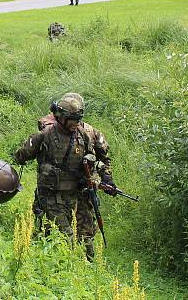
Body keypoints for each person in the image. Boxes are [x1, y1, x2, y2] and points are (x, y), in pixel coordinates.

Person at [14, 93, 116, 261]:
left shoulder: (83, 136)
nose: (77, 123)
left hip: (74, 196)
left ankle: (85, 270)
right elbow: (22, 154)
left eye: (78, 119)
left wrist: (105, 178)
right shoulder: (45, 135)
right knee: (64, 237)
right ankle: (59, 269)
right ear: (62, 118)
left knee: (84, 236)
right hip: (51, 196)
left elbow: (95, 160)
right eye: (73, 119)